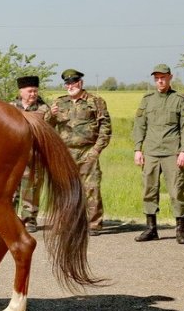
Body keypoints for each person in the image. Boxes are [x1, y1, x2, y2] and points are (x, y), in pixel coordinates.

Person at [46, 69, 112, 235]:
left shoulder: (95, 101)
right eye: (67, 83)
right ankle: (67, 223)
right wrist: (51, 115)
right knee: (65, 190)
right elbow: (47, 126)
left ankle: (94, 224)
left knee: (91, 189)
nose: (70, 86)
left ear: (80, 83)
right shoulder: (59, 103)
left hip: (87, 151)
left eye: (73, 82)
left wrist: (96, 150)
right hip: (65, 153)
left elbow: (105, 127)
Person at [132, 64, 184, 243]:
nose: (160, 81)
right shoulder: (147, 99)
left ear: (170, 77)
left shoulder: (180, 99)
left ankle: (180, 230)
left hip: (172, 153)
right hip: (151, 152)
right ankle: (151, 229)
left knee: (176, 191)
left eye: (163, 77)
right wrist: (138, 149)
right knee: (149, 190)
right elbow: (139, 125)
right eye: (157, 78)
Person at [10, 75, 48, 232]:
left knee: (31, 188)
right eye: (30, 91)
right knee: (10, 188)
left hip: (34, 154)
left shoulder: (44, 109)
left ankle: (29, 220)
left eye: (35, 91)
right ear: (21, 92)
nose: (33, 94)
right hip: (12, 156)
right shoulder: (10, 107)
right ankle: (8, 220)